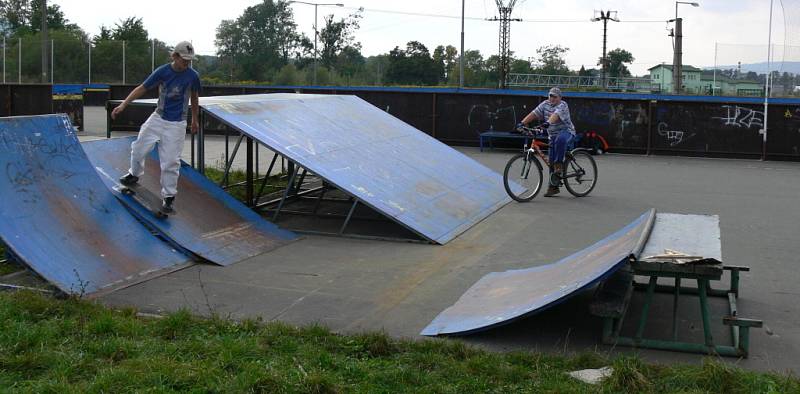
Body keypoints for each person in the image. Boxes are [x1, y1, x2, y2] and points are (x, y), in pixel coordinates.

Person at [111, 41, 201, 213]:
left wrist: (194, 119)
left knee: (170, 162)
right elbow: (142, 88)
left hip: (177, 124)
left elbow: (195, 97)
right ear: (174, 56)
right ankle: (134, 174)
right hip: (158, 118)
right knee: (138, 148)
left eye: (189, 61)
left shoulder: (193, 76)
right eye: (184, 60)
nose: (186, 64)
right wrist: (124, 105)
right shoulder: (163, 71)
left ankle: (169, 196)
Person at [517, 87, 576, 197]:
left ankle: (559, 166)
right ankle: (553, 187)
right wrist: (522, 123)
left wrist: (547, 123)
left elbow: (556, 116)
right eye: (550, 96)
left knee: (560, 140)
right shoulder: (545, 104)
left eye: (555, 96)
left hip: (567, 132)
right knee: (551, 161)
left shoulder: (563, 105)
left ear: (560, 98)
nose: (552, 98)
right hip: (552, 136)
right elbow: (534, 113)